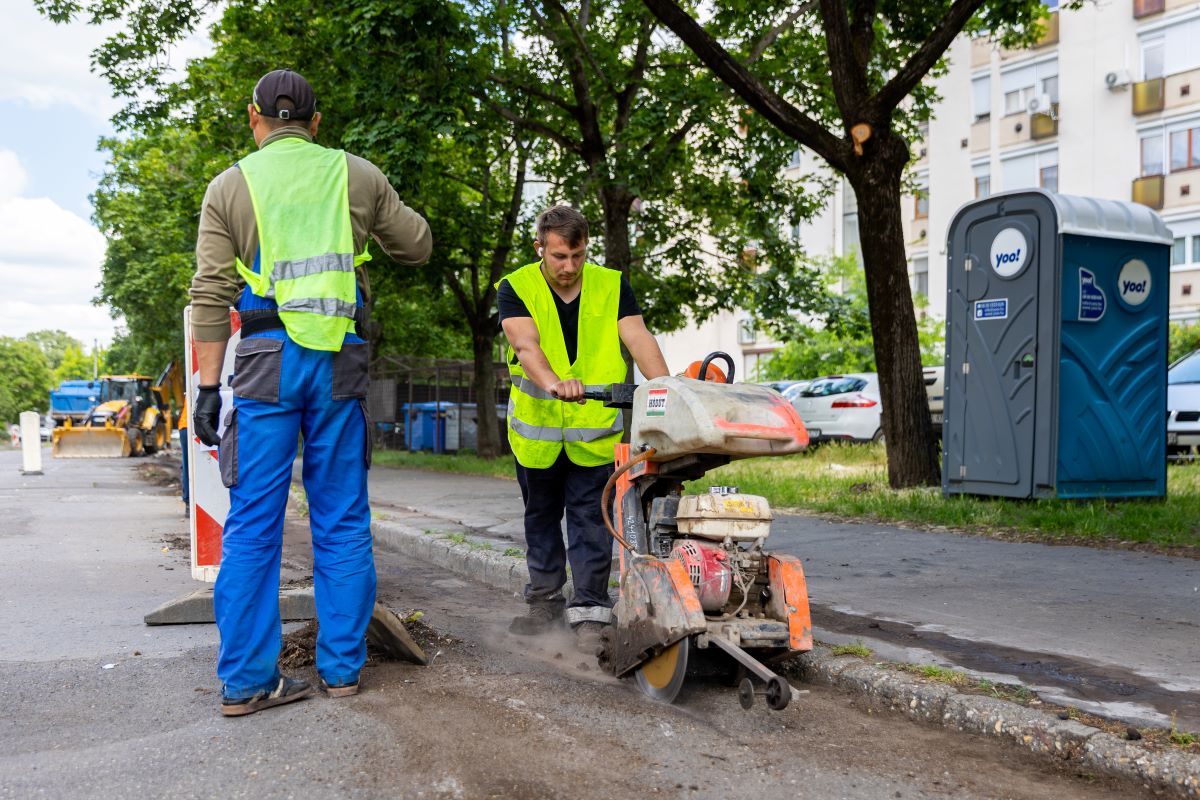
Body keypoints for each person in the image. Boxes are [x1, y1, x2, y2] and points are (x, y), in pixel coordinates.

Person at [189, 69, 432, 716]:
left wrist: (209, 390)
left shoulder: (229, 187)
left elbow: (209, 294)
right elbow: (418, 244)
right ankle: (343, 671)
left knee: (253, 525)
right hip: (339, 364)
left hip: (266, 362)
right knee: (342, 518)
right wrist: (369, 220)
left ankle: (246, 682)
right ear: (317, 122)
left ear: (254, 118)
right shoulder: (357, 175)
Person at [497, 205, 669, 653]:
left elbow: (638, 338)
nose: (569, 267)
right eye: (558, 256)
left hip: (594, 434)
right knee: (540, 518)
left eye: (577, 255)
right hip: (536, 434)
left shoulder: (612, 286)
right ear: (540, 249)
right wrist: (555, 384)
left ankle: (591, 609)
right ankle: (545, 603)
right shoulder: (515, 286)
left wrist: (669, 391)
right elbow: (524, 343)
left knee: (591, 521)